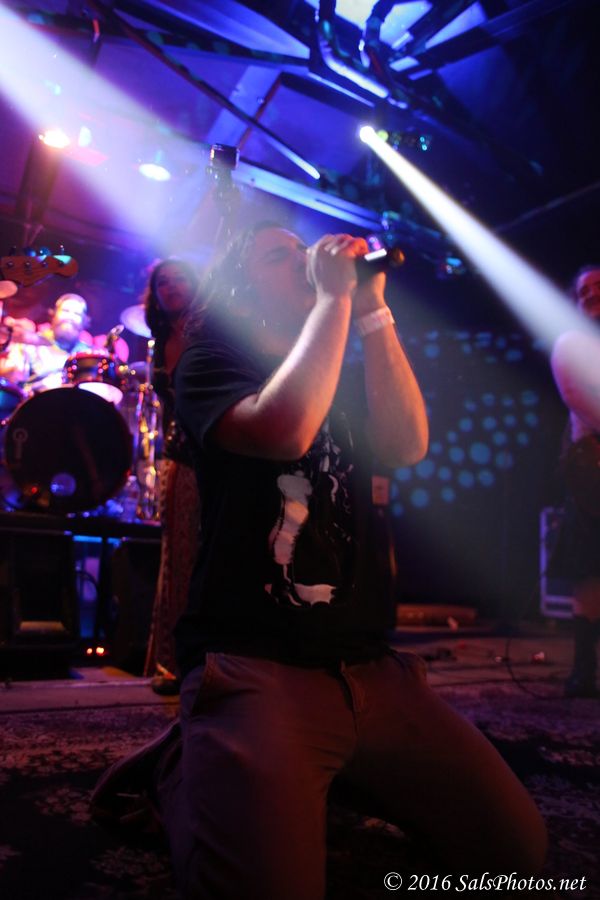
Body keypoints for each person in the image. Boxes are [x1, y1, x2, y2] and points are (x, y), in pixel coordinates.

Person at [141, 222, 546, 899]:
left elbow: (407, 444)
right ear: (240, 288)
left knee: (516, 856)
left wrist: (372, 311)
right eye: (281, 256)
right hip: (256, 666)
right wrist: (332, 299)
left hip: (372, 670)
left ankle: (323, 775)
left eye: (307, 253)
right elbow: (283, 429)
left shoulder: (343, 364)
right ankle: (184, 771)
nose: (306, 262)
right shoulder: (210, 362)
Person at [141, 258, 202, 695]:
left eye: (181, 279)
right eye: (164, 282)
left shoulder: (211, 333)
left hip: (218, 452)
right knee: (177, 560)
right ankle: (173, 661)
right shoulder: (159, 341)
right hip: (180, 457)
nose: (172, 286)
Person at [550, 264, 600, 697]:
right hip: (591, 463)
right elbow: (578, 397)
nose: (593, 295)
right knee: (590, 566)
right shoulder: (572, 342)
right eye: (585, 291)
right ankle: (584, 670)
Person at [0, 293, 128, 390]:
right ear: (53, 315)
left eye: (76, 314)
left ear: (85, 322)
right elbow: (13, 385)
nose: (70, 317)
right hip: (35, 407)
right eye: (66, 311)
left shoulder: (88, 355)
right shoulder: (30, 345)